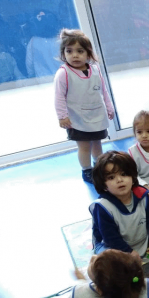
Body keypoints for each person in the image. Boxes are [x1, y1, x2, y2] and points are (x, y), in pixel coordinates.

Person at [90, 151, 149, 284]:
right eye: (111, 177)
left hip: (139, 234)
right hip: (112, 244)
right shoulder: (103, 207)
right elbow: (110, 237)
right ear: (103, 185)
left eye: (124, 174)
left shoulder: (142, 195)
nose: (119, 180)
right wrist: (127, 252)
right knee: (108, 262)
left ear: (133, 176)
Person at [54, 29, 115, 184]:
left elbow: (103, 90)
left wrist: (109, 107)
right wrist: (62, 116)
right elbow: (59, 97)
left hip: (96, 115)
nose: (74, 55)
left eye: (80, 51)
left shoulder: (95, 69)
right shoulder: (64, 73)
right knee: (84, 147)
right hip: (77, 119)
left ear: (88, 53)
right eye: (69, 51)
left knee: (97, 144)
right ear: (63, 53)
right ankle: (87, 171)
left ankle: (98, 167)